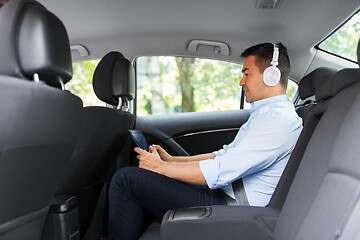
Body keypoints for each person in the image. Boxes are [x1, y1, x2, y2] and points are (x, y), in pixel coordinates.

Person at [108, 42, 303, 240]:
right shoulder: (266, 115)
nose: (241, 82)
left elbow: (221, 169)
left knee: (126, 180)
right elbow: (221, 155)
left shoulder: (279, 121)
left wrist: (159, 168)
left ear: (272, 75)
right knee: (135, 178)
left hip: (234, 209)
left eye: (247, 74)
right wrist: (170, 161)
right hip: (225, 195)